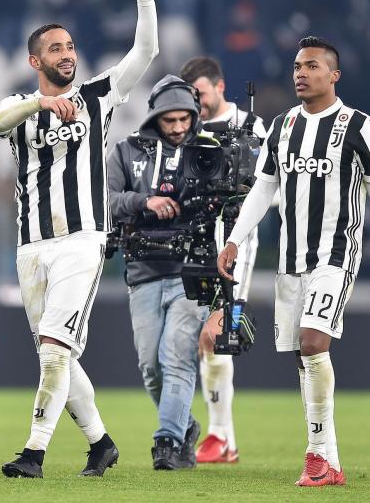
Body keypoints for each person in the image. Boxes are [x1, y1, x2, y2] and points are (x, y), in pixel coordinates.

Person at [0, 0, 158, 478]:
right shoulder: (21, 107)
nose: (67, 54)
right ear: (35, 61)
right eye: (55, 48)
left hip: (83, 239)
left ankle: (34, 453)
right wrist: (38, 104)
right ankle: (101, 443)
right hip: (31, 245)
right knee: (53, 352)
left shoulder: (97, 95)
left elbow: (145, 50)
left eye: (70, 46)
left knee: (58, 344)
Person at [218, 36, 370, 487]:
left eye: (311, 66)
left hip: (335, 257)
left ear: (334, 75)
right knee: (305, 362)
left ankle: (313, 455)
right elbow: (264, 188)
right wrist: (234, 240)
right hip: (291, 260)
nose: (300, 73)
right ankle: (330, 461)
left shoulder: (359, 127)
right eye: (296, 67)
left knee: (311, 343)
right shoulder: (284, 126)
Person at [106, 75, 208, 470]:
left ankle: (166, 442)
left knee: (177, 357)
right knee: (150, 366)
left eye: (186, 119)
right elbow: (104, 199)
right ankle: (184, 426)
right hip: (143, 268)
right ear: (156, 117)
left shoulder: (207, 151)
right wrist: (145, 201)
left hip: (191, 270)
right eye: (172, 120)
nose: (180, 128)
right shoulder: (125, 151)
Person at [179, 56, 267, 464]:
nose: (196, 101)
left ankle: (219, 435)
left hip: (238, 243)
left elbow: (274, 184)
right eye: (190, 95)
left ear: (220, 86)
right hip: (198, 240)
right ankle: (223, 438)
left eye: (200, 92)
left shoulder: (253, 126)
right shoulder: (187, 130)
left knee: (219, 333)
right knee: (206, 339)